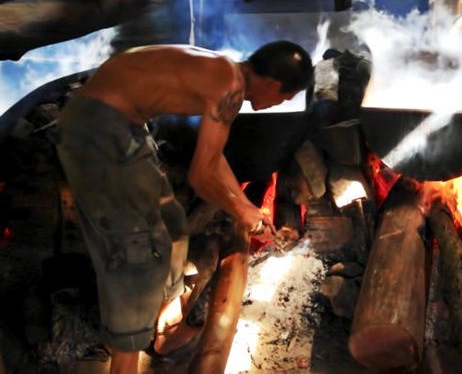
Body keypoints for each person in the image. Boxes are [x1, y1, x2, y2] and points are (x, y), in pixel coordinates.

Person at [55, 40, 314, 374]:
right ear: (273, 84)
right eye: (285, 97)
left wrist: (245, 203)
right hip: (98, 132)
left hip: (125, 128)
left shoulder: (228, 76)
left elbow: (213, 158)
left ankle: (166, 321)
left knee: (172, 223)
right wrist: (240, 212)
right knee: (135, 253)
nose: (282, 103)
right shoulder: (229, 88)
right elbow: (200, 176)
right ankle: (125, 362)